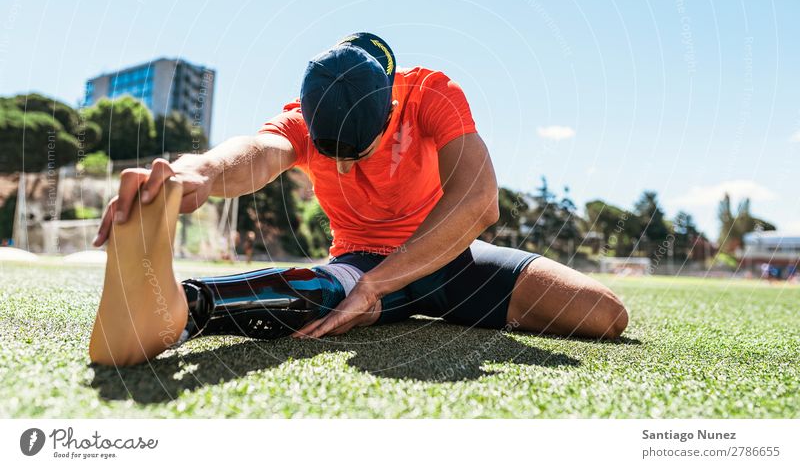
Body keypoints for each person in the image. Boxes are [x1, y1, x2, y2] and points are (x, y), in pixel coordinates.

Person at [88, 32, 628, 367]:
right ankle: (184, 310)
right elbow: (259, 149)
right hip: (359, 259)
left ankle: (401, 303)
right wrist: (195, 172)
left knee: (604, 316)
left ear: (391, 106)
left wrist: (384, 285)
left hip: (445, 259)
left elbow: (480, 201)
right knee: (331, 286)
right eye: (330, 154)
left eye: (358, 151)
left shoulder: (430, 95)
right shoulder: (302, 117)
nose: (344, 168)